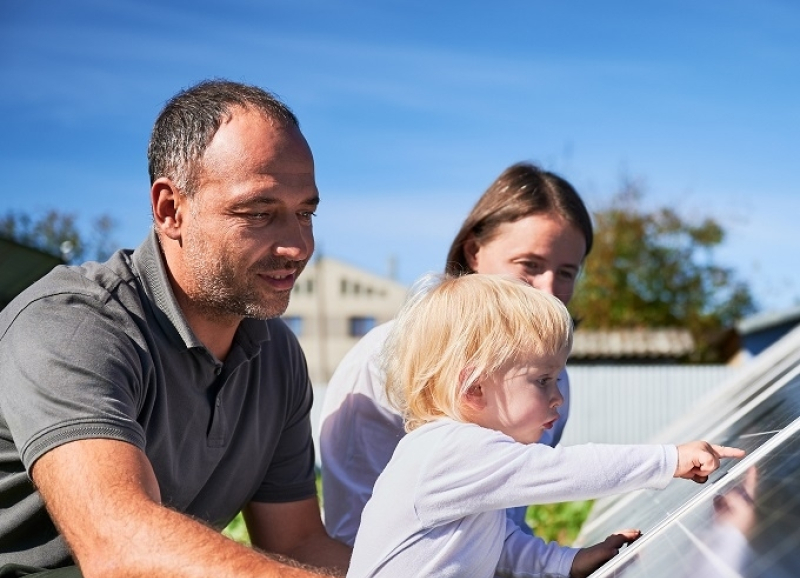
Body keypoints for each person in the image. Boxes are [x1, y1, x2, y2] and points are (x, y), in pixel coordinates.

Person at [0, 80, 351, 577]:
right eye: (259, 213)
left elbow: (298, 542)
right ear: (170, 209)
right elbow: (120, 548)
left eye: (305, 213)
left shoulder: (276, 355)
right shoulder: (74, 325)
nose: (297, 246)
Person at [346, 273, 745, 578]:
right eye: (542, 380)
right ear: (474, 387)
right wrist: (668, 460)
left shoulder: (458, 459)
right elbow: (565, 470)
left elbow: (499, 543)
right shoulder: (451, 449)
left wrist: (567, 561)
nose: (559, 397)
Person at [320, 162, 593, 545]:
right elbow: (352, 529)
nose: (547, 291)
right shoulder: (386, 360)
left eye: (566, 272)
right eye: (529, 265)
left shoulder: (553, 380)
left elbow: (506, 526)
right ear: (474, 252)